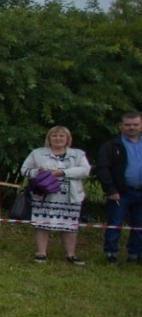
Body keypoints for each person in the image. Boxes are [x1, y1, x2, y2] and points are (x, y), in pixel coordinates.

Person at [21, 126, 91, 265]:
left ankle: (71, 254)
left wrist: (63, 172)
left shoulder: (78, 154)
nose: (58, 139)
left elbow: (85, 171)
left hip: (70, 196)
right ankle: (41, 253)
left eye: (61, 136)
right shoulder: (37, 153)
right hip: (45, 196)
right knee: (42, 224)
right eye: (54, 136)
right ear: (49, 138)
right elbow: (25, 170)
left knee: (70, 225)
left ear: (67, 139)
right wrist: (38, 172)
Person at [95, 111, 142, 264]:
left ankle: (135, 255)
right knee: (115, 223)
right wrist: (111, 189)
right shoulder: (111, 146)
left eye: (135, 125)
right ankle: (111, 253)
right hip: (120, 192)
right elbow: (103, 168)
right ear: (120, 126)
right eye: (128, 125)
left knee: (140, 226)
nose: (132, 128)